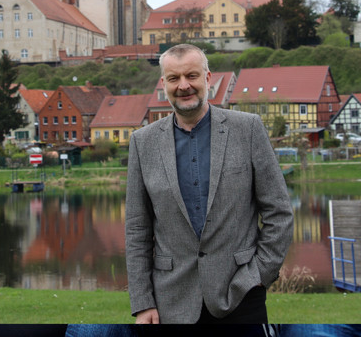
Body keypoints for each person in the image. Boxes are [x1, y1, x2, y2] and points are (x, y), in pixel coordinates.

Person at [125, 44, 293, 324]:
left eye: (191, 76)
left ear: (208, 78)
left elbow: (279, 212)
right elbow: (137, 230)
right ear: (163, 83)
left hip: (241, 296)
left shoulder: (248, 129)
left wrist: (259, 274)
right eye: (173, 78)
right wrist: (143, 302)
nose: (183, 86)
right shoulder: (143, 143)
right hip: (171, 301)